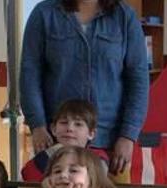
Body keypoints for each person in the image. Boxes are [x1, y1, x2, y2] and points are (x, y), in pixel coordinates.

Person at [20, 0, 149, 176]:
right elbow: (30, 74)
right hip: (57, 141)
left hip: (110, 141)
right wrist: (37, 125)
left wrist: (128, 136)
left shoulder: (124, 16)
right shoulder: (44, 13)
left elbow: (139, 81)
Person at [21, 99, 109, 182]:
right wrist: (54, 150)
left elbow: (96, 180)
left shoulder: (98, 156)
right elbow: (28, 175)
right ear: (54, 129)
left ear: (91, 133)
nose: (69, 129)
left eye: (78, 124)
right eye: (64, 123)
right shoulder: (48, 155)